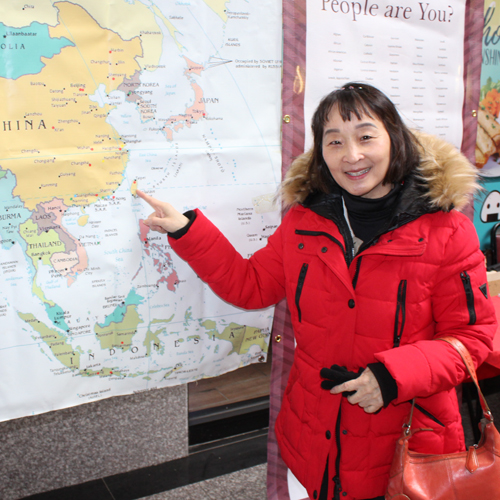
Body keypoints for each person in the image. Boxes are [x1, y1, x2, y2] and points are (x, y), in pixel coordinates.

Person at [137, 83, 496, 500]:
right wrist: (186, 230)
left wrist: (391, 377)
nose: (352, 155)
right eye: (335, 141)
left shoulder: (447, 231)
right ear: (321, 153)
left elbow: (472, 340)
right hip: (316, 436)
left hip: (408, 444)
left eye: (365, 136)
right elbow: (250, 286)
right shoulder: (305, 222)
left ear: (394, 139)